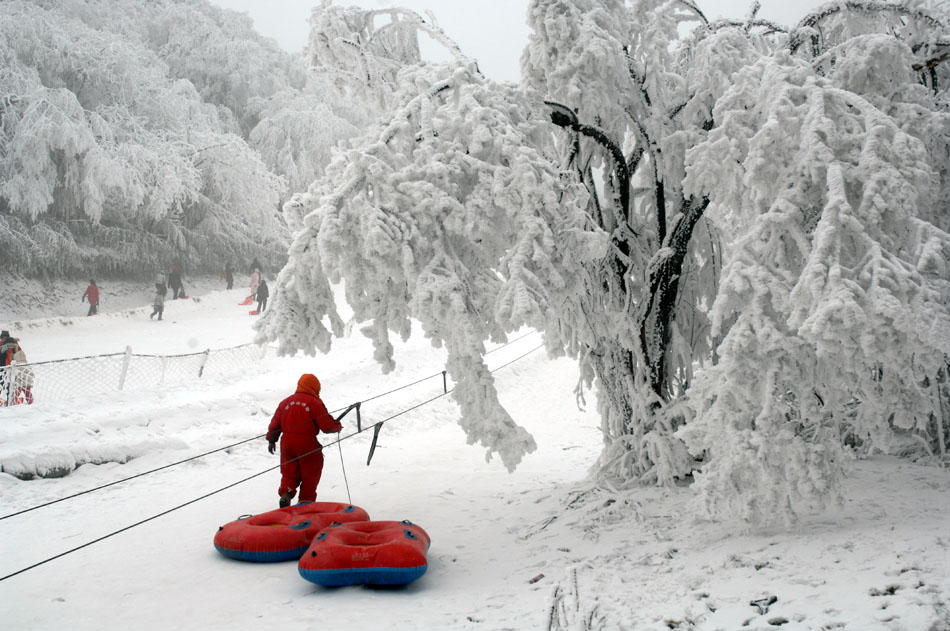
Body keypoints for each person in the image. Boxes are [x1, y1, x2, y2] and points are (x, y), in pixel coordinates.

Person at [266, 374, 342, 508]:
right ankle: (305, 502)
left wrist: (272, 440)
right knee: (310, 473)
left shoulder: (285, 402)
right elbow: (327, 425)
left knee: (289, 471)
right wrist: (337, 426)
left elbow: (275, 424)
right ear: (314, 388)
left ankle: (286, 493)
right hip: (307, 443)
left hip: (287, 444)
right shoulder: (315, 403)